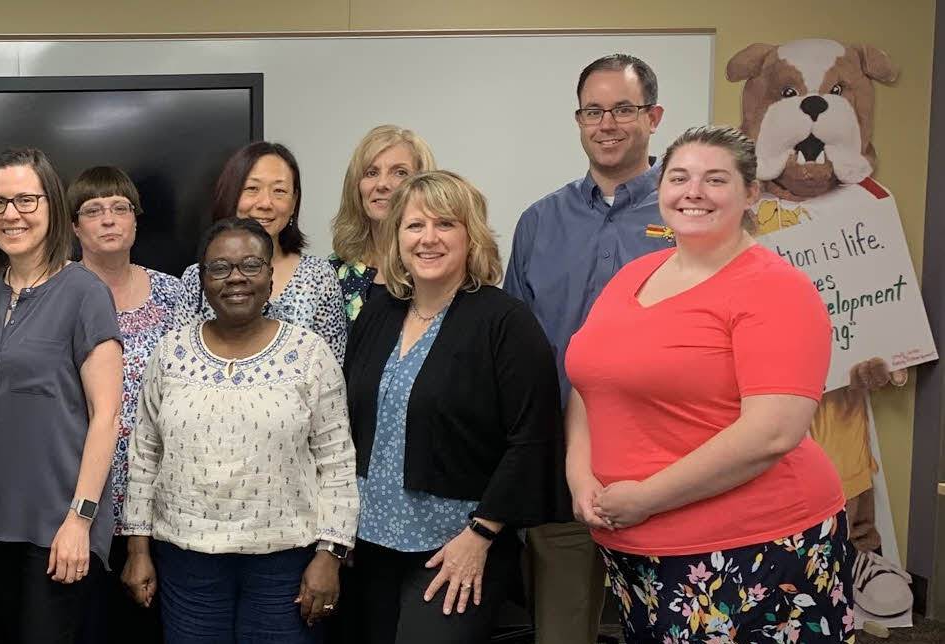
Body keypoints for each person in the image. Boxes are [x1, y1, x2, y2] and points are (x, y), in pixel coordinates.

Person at [567, 126, 854, 642]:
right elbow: (592, 383)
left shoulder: (776, 289)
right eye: (679, 177)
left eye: (715, 179)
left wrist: (646, 497)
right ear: (660, 190)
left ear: (751, 195)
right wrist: (580, 477)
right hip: (636, 547)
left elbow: (772, 433)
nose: (693, 192)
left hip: (756, 547)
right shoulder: (632, 275)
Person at [342, 170, 568, 643]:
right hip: (369, 544)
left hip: (457, 548)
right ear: (396, 238)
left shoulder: (505, 322)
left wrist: (481, 535)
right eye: (414, 226)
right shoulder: (379, 312)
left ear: (471, 236)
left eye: (445, 225)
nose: (428, 239)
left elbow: (533, 439)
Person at [120, 217, 359, 643]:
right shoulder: (171, 352)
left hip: (285, 562)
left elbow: (337, 461)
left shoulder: (309, 354)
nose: (236, 278)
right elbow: (144, 455)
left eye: (251, 265)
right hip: (186, 560)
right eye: (220, 267)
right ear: (202, 280)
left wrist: (331, 554)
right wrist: (138, 550)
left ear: (270, 277)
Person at [501, 54, 672, 644]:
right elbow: (515, 351)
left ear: (653, 116)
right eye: (593, 111)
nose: (607, 123)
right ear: (578, 121)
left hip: (667, 461)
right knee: (562, 628)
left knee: (670, 625)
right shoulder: (539, 222)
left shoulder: (688, 217)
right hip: (557, 461)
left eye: (623, 109)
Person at [0, 148, 123, 644]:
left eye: (26, 200)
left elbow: (107, 415)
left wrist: (80, 520)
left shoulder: (84, 292)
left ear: (51, 205)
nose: (12, 214)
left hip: (59, 525)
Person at [67, 166, 185, 641]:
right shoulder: (56, 293)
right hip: (77, 497)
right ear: (74, 226)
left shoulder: (175, 293)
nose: (109, 219)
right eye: (94, 210)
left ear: (137, 221)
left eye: (121, 208)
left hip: (160, 498)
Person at [180, 141, 347, 361]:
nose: (266, 203)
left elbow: (332, 367)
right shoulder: (197, 277)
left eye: (279, 191)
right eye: (252, 189)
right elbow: (181, 361)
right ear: (231, 194)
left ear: (294, 201)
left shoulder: (319, 276)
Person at [329, 125, 437, 321]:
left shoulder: (436, 266)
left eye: (400, 172)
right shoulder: (332, 273)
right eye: (371, 173)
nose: (382, 184)